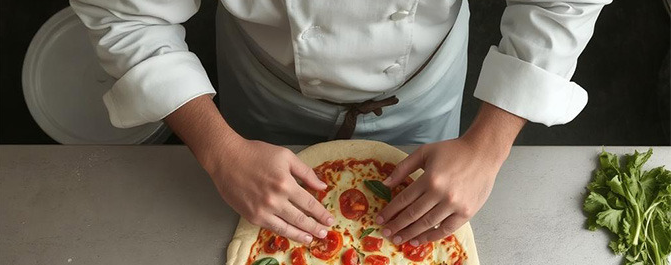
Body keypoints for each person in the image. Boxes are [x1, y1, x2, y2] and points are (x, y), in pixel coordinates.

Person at [70, 0, 611, 246]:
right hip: (264, 78)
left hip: (424, 81)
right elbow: (126, 13)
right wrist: (222, 151)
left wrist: (487, 147)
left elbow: (563, 4)